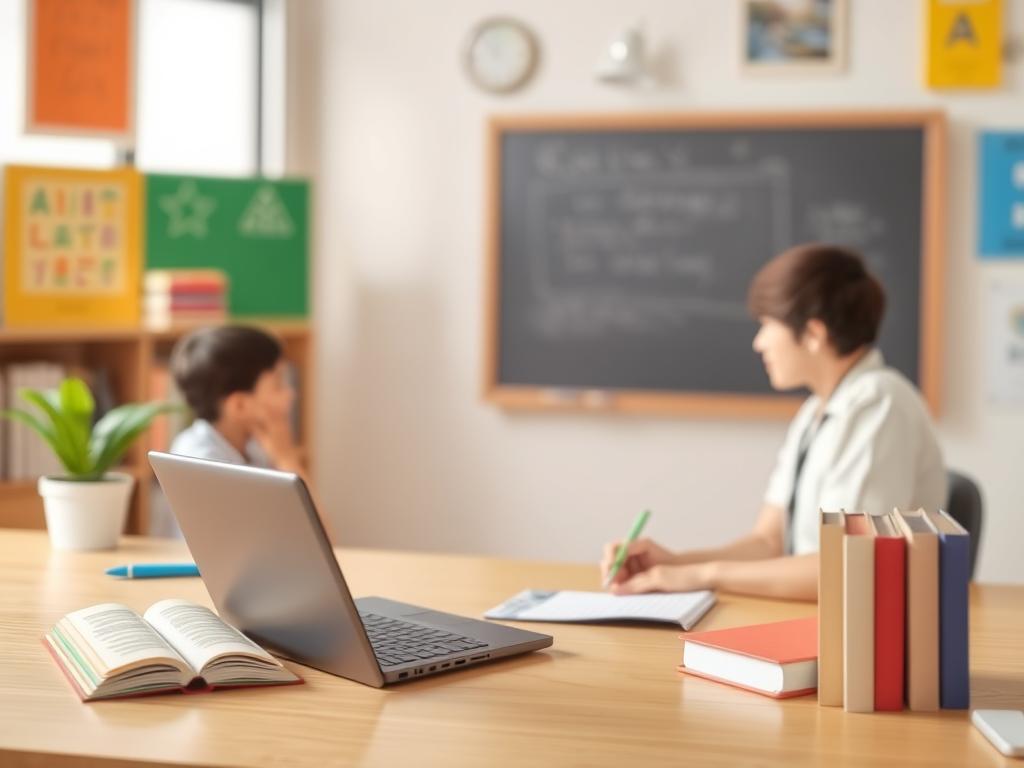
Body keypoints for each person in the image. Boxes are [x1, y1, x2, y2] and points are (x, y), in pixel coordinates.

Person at [600, 244, 946, 601]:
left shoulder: (879, 403)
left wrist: (703, 574)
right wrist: (671, 565)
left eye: (767, 325)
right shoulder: (816, 413)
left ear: (813, 334)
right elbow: (769, 541)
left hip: (866, 632)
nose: (758, 342)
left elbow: (850, 567)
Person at [169, 325, 309, 487]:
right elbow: (308, 513)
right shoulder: (201, 462)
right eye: (278, 385)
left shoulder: (255, 445)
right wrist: (287, 459)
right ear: (239, 406)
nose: (290, 394)